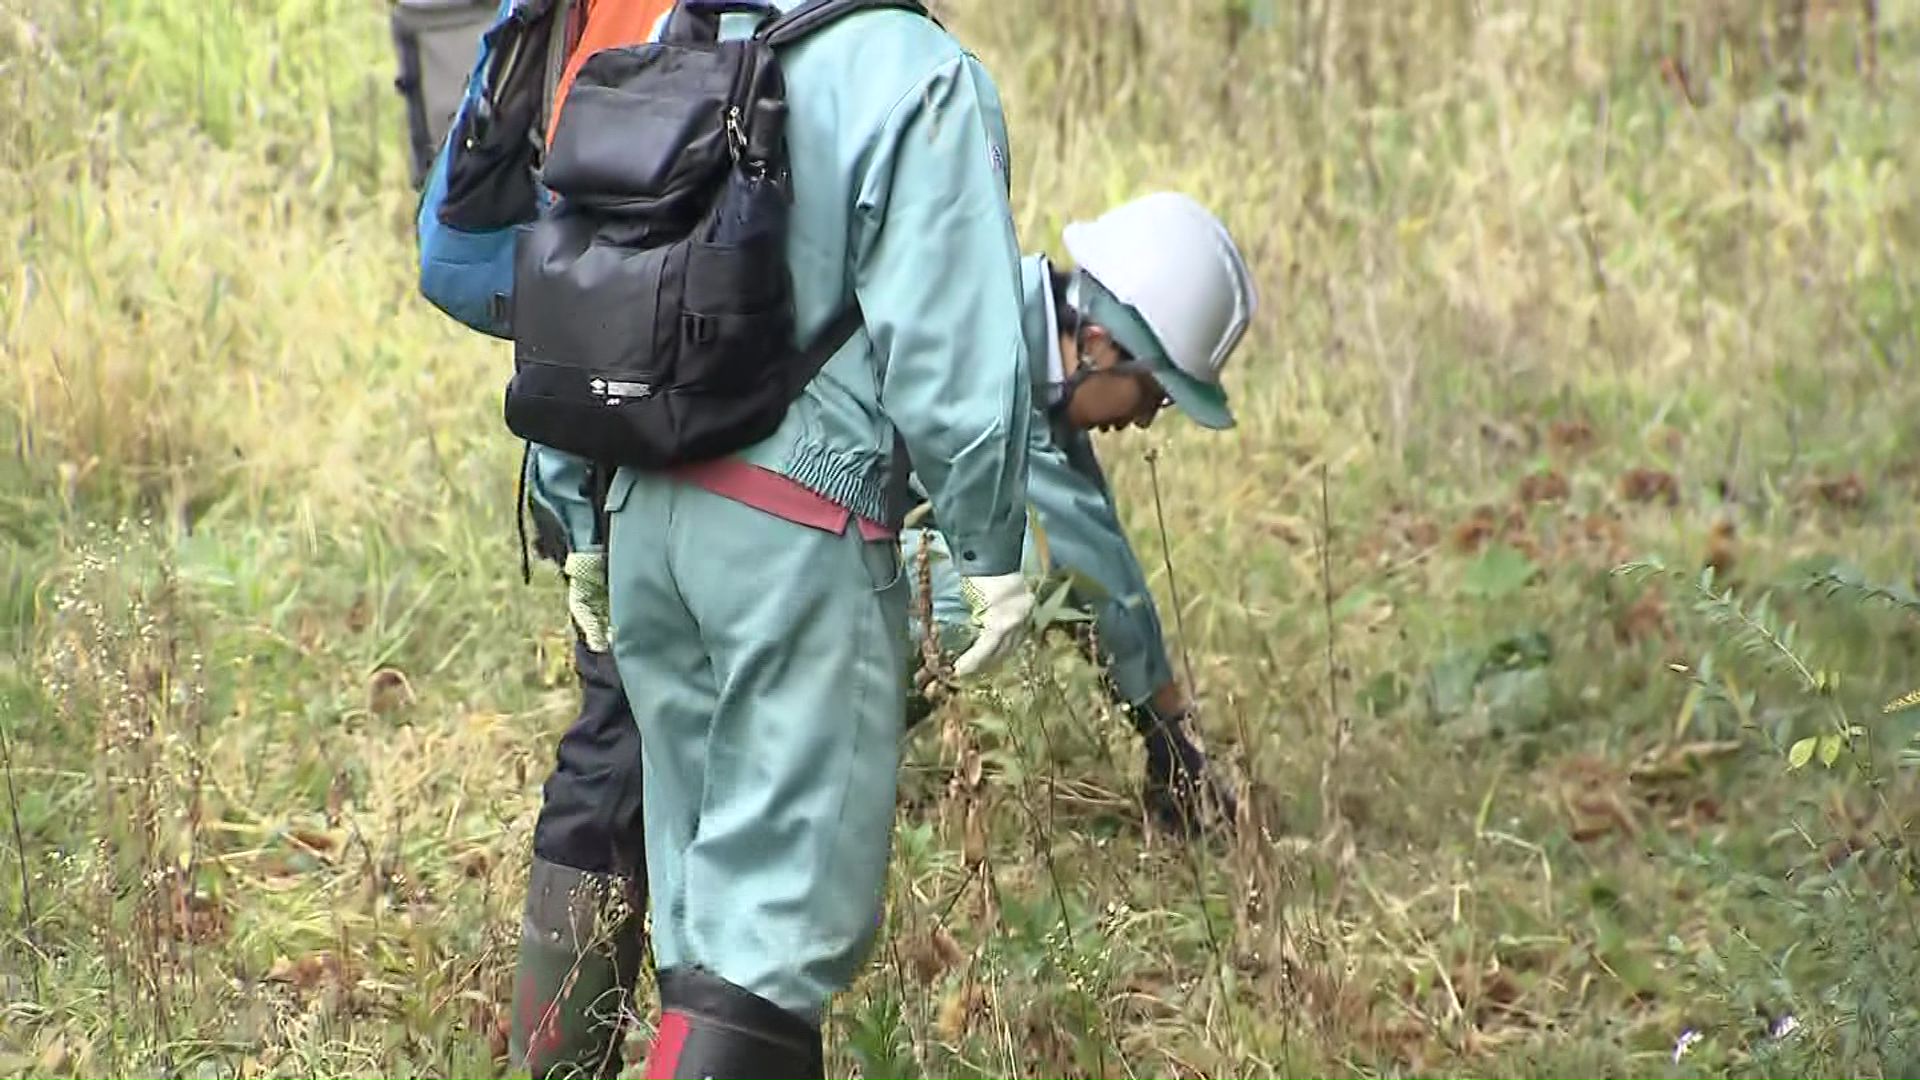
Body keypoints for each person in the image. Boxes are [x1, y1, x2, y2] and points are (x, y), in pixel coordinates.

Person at [580, 2, 1037, 1075]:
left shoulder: (680, 28)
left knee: (706, 929)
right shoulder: (918, 72)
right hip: (795, 533)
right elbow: (953, 345)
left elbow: (578, 285)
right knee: (770, 944)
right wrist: (990, 546)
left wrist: (576, 520)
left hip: (642, 515)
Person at [902, 190, 1257, 838]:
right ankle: (813, 750)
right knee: (1018, 567)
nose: (1144, 419)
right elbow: (1076, 551)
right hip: (774, 558)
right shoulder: (993, 350)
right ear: (1096, 343)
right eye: (1152, 393)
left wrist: (1169, 741)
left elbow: (1098, 536)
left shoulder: (1036, 350)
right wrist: (1171, 745)